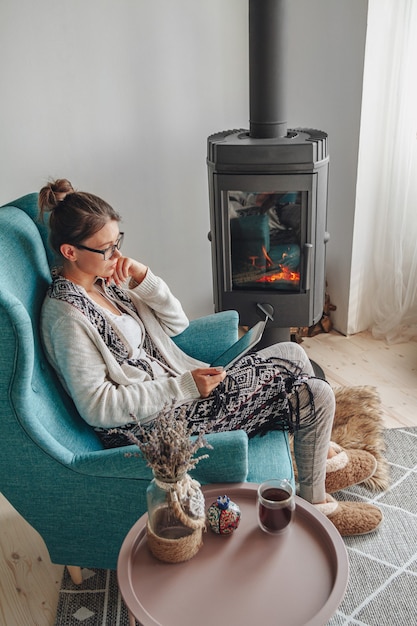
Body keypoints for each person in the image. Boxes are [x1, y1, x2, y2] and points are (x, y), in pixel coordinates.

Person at [39, 178, 383, 537]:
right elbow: (97, 406)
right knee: (315, 392)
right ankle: (316, 502)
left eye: (118, 242)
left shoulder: (107, 282)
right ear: (70, 252)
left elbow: (177, 323)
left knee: (294, 353)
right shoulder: (66, 316)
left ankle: (318, 459)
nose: (116, 256)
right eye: (106, 249)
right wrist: (186, 386)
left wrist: (143, 278)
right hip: (155, 427)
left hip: (181, 399)